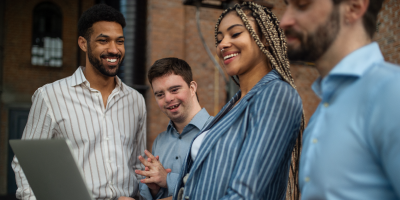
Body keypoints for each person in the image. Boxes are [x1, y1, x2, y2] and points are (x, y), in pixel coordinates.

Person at [11, 4, 146, 200]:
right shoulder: (50, 96)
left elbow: (138, 165)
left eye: (120, 41)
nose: (114, 49)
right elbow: (26, 164)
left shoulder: (136, 100)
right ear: (83, 44)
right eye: (103, 41)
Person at [170, 2, 303, 200]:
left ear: (265, 38)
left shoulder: (277, 95)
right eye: (219, 38)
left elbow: (245, 192)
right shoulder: (234, 104)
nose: (223, 44)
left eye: (235, 34)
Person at [280, 0, 400, 199]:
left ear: (353, 7)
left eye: (302, 4)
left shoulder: (390, 92)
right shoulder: (324, 108)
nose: (284, 20)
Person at [119, 58, 213, 200]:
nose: (168, 98)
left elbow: (214, 189)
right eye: (160, 94)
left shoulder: (218, 131)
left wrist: (167, 179)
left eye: (174, 90)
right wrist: (154, 189)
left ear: (192, 88)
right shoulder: (160, 141)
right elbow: (148, 194)